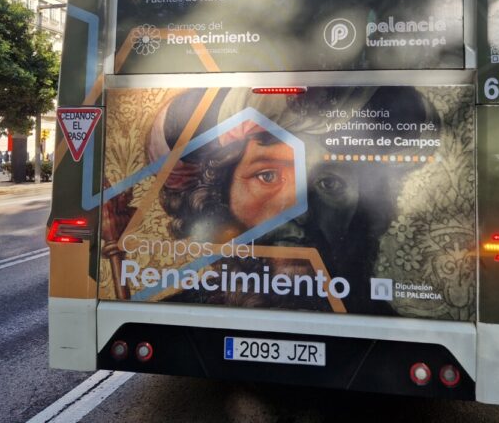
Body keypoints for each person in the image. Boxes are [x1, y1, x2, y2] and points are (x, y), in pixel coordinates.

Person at [104, 87, 438, 314]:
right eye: (267, 176)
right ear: (220, 197)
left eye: (329, 182)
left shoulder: (386, 327)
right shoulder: (177, 313)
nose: (300, 210)